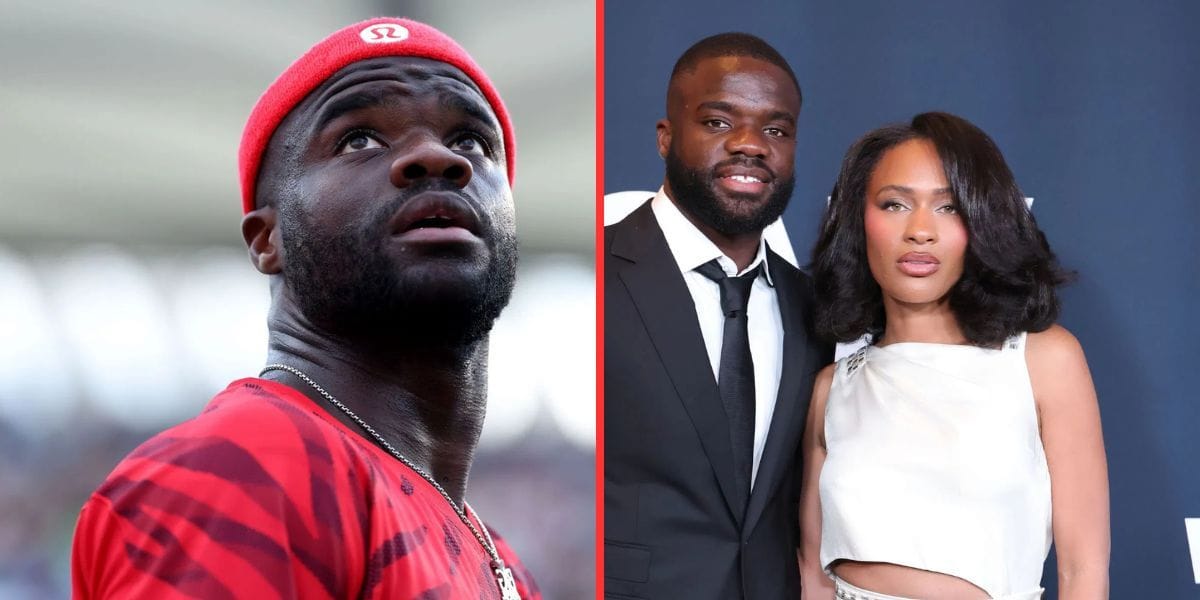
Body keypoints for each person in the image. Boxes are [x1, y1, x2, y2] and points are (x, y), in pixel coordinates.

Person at [70, 17, 540, 600]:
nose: (435, 158)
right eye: (358, 139)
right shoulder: (241, 470)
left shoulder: (497, 555)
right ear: (268, 240)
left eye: (470, 139)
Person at [798, 112, 1110, 599]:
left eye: (948, 208)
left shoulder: (1043, 361)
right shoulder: (833, 387)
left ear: (984, 223)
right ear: (860, 222)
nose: (920, 230)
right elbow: (812, 572)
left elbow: (1083, 570)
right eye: (895, 203)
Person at [604, 33, 831, 599]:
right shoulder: (594, 276)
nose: (751, 145)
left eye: (776, 130)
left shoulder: (816, 309)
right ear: (666, 137)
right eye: (720, 122)